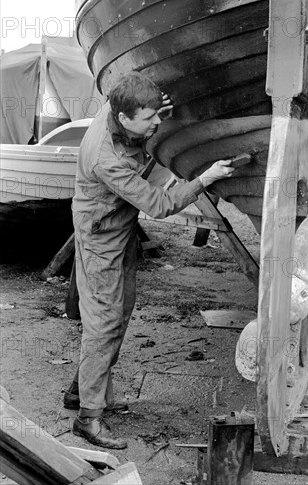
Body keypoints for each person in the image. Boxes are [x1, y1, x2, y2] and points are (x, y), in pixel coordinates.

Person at [63, 72, 234, 449]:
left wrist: (156, 108)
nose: (157, 123)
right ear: (124, 119)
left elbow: (138, 107)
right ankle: (88, 419)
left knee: (122, 309)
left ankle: (82, 389)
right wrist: (205, 178)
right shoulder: (106, 160)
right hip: (100, 238)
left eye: (157, 116)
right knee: (104, 322)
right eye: (149, 120)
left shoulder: (117, 107)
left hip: (117, 225)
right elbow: (160, 205)